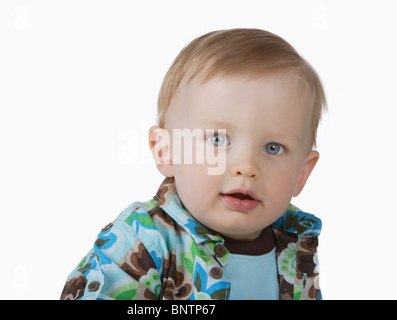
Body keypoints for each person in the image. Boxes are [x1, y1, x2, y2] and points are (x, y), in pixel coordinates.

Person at [60, 28, 326, 300]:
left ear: (302, 174)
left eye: (273, 148)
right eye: (218, 140)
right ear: (167, 152)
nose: (246, 167)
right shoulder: (142, 239)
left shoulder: (295, 243)